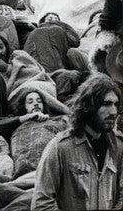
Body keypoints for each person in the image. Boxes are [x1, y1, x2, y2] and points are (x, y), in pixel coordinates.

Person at [32, 73, 119, 211]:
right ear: (89, 106)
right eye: (106, 104)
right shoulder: (60, 148)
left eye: (116, 104)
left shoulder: (117, 148)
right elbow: (41, 203)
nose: (114, 111)